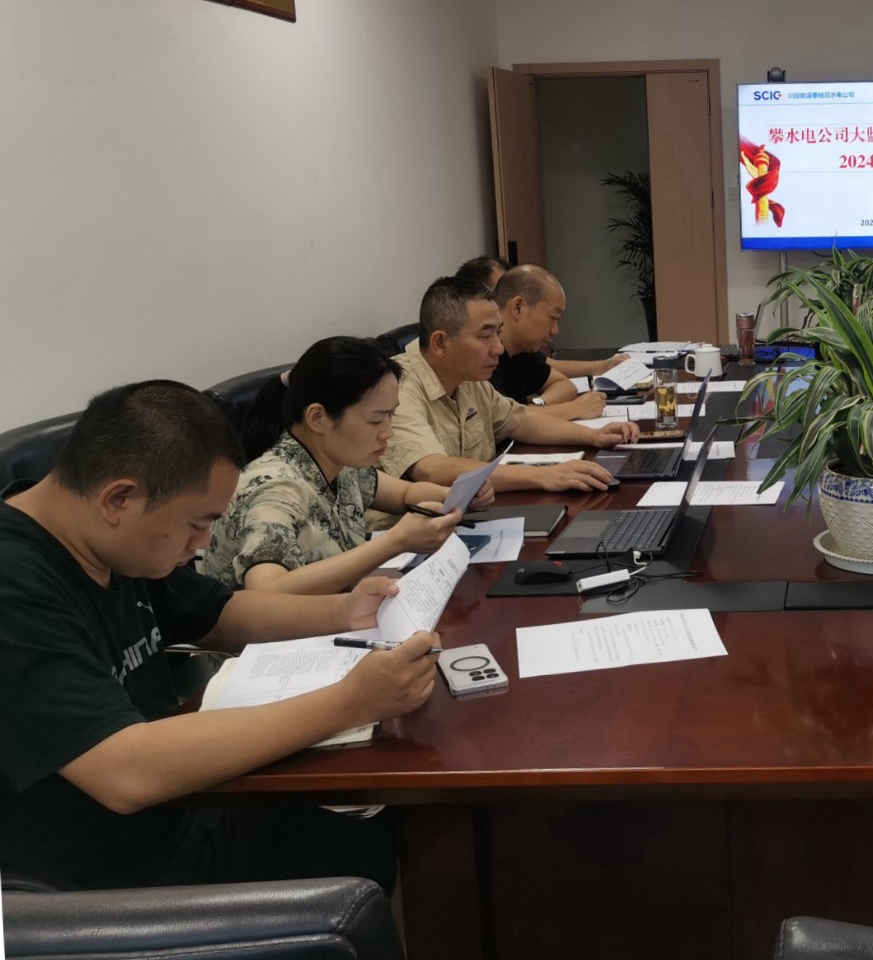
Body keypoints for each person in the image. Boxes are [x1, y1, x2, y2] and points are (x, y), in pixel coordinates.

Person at [0, 381, 438, 892]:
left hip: (182, 806)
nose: (204, 542)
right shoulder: (15, 583)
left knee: (386, 827)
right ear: (118, 498)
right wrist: (352, 701)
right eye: (196, 524)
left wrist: (344, 611)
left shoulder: (104, 536)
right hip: (102, 876)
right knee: (369, 853)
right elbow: (122, 772)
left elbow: (220, 612)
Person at [202, 336, 492, 595]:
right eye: (375, 420)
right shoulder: (275, 488)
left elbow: (404, 494)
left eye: (390, 416)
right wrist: (395, 542)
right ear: (318, 418)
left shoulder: (339, 461)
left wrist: (456, 495)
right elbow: (268, 591)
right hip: (285, 636)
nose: (388, 432)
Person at [382, 276, 640, 493]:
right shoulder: (397, 388)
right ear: (440, 343)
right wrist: (543, 475)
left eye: (498, 332)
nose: (498, 347)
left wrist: (593, 436)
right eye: (485, 335)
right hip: (413, 531)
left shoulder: (469, 379)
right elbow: (432, 470)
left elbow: (520, 420)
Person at [491, 265, 630, 416]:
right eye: (553, 317)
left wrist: (537, 406)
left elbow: (565, 385)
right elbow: (505, 421)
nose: (555, 330)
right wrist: (576, 409)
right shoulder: (486, 357)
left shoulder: (521, 352)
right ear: (518, 307)